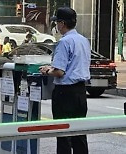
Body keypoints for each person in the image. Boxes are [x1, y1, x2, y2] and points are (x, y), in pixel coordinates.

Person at [39, 7, 91, 154]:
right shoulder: (83, 41)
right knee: (79, 134)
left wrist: (47, 70)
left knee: (63, 134)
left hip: (65, 94)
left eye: (57, 23)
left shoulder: (64, 42)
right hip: (81, 92)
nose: (56, 26)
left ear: (62, 23)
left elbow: (60, 72)